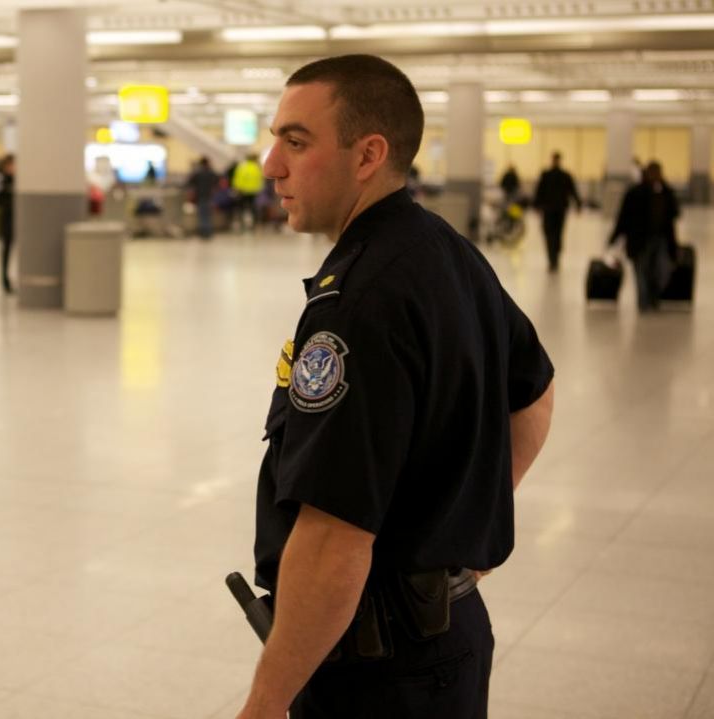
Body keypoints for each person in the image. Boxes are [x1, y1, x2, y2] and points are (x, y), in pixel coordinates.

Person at [236, 54, 555, 719]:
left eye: (296, 141)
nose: (270, 165)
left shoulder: (358, 301)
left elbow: (334, 536)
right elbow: (532, 392)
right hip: (448, 638)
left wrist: (264, 703)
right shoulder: (445, 249)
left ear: (368, 155)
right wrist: (458, 532)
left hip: (379, 671)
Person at [608, 160, 680, 312]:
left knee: (661, 271)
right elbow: (623, 217)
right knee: (641, 272)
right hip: (639, 240)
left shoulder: (666, 192)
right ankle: (644, 302)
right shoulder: (635, 193)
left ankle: (653, 296)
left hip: (661, 239)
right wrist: (614, 237)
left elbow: (674, 214)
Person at [533, 152, 582, 272]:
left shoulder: (551, 175)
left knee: (553, 234)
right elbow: (540, 190)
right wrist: (578, 204)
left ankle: (553, 259)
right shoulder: (559, 175)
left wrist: (537, 205)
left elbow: (572, 190)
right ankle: (553, 259)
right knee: (554, 234)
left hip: (553, 209)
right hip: (556, 209)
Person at [0, 154, 16, 293]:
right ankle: (5, 279)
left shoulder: (16, 178)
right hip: (6, 218)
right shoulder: (0, 178)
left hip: (15, 218)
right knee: (6, 248)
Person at [186, 156, 220, 240]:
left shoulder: (197, 173)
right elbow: (217, 181)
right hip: (210, 196)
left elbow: (189, 183)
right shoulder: (211, 172)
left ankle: (203, 232)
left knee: (202, 215)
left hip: (200, 196)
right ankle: (208, 231)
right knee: (208, 215)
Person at [232, 152, 264, 233]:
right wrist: (259, 188)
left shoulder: (242, 166)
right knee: (253, 208)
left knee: (242, 208)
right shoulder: (257, 167)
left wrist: (236, 188)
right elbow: (260, 179)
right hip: (254, 191)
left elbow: (238, 178)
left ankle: (242, 224)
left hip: (243, 190)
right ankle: (255, 224)